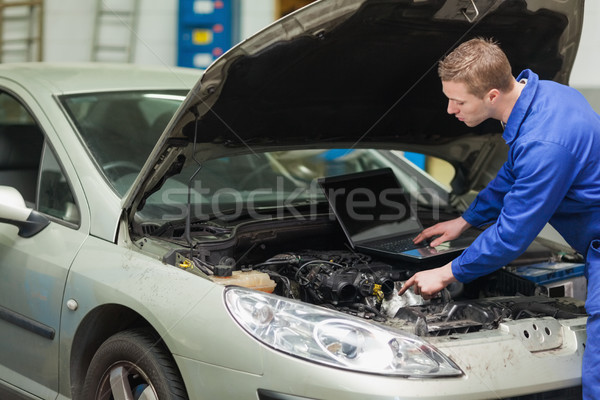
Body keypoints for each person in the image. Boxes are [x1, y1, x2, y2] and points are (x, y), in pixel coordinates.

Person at [398, 37, 600, 398]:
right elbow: (512, 173)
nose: (449, 109)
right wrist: (465, 221)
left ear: (491, 95)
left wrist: (446, 273)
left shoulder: (545, 144)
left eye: (457, 101)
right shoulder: (549, 95)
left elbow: (511, 235)